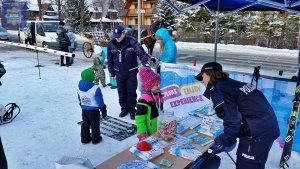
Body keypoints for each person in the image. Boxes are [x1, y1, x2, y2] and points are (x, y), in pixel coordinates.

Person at [194, 62, 280, 169]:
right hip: (267, 128)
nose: (202, 80)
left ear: (209, 74)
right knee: (256, 164)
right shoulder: (230, 83)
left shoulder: (218, 89)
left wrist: (225, 139)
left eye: (203, 76)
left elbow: (232, 119)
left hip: (257, 134)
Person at [107, 25, 150, 120]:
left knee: (131, 92)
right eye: (115, 36)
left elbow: (141, 53)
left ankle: (132, 110)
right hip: (118, 72)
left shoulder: (132, 42)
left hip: (131, 72)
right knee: (121, 92)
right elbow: (109, 59)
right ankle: (124, 109)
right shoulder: (111, 44)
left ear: (123, 33)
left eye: (119, 36)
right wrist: (112, 72)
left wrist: (146, 64)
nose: (117, 38)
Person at [77, 68, 107, 144]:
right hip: (94, 110)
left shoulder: (79, 87)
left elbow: (79, 97)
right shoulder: (95, 88)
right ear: (92, 77)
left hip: (84, 109)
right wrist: (103, 108)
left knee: (85, 124)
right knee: (95, 125)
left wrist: (81, 103)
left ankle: (84, 139)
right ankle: (96, 139)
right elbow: (99, 100)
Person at [135, 67, 163, 141]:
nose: (159, 87)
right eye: (156, 85)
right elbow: (140, 120)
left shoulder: (155, 94)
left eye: (159, 84)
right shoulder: (143, 101)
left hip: (157, 131)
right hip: (149, 135)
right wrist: (143, 135)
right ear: (148, 86)